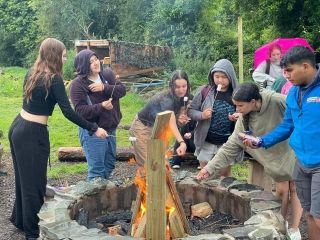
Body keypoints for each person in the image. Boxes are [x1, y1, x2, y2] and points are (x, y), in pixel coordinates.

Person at [8, 38, 107, 240]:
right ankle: (32, 233)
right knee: (34, 185)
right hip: (31, 134)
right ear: (54, 56)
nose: (65, 58)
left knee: (24, 180)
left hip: (18, 127)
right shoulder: (53, 79)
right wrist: (93, 128)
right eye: (63, 55)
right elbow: (68, 112)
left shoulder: (32, 72)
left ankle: (20, 220)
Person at [197, 82, 303, 239]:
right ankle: (280, 226)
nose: (237, 110)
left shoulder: (277, 100)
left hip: (291, 147)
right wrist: (208, 169)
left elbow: (301, 111)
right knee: (282, 192)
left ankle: (294, 228)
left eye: (240, 106)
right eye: (235, 106)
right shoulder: (244, 119)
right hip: (273, 154)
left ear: (253, 102)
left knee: (294, 188)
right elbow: (229, 148)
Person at [244, 46, 320, 240]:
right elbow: (287, 125)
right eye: (284, 70)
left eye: (289, 70)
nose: (285, 75)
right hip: (302, 163)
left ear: (305, 66)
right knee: (311, 214)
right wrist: (262, 141)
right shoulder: (294, 93)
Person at [70, 50, 126, 181]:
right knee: (97, 171)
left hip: (111, 128)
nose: (96, 63)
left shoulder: (107, 74)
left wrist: (104, 87)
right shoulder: (78, 85)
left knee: (109, 164)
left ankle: (104, 192)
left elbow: (122, 90)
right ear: (83, 66)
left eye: (96, 59)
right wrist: (101, 106)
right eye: (91, 62)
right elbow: (80, 111)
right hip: (93, 131)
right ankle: (96, 197)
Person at [188, 59, 240, 173]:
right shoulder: (205, 91)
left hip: (226, 143)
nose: (220, 80)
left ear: (231, 77)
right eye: (217, 76)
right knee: (205, 173)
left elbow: (246, 113)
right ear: (212, 76)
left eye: (224, 77)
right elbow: (191, 111)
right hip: (206, 141)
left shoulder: (237, 94)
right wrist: (202, 115)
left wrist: (238, 116)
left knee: (224, 175)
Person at [129, 70, 188, 167]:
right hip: (143, 127)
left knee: (162, 162)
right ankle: (147, 181)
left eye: (184, 86)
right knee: (149, 164)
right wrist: (182, 142)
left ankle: (163, 182)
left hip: (159, 129)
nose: (181, 90)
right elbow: (171, 122)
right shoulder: (166, 100)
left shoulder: (184, 97)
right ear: (171, 86)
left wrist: (180, 120)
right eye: (177, 87)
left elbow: (175, 120)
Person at [171, 96, 197, 169]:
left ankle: (200, 162)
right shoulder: (182, 117)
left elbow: (199, 129)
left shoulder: (197, 117)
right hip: (184, 142)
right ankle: (176, 161)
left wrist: (191, 134)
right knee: (179, 141)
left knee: (197, 141)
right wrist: (183, 125)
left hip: (194, 140)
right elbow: (180, 131)